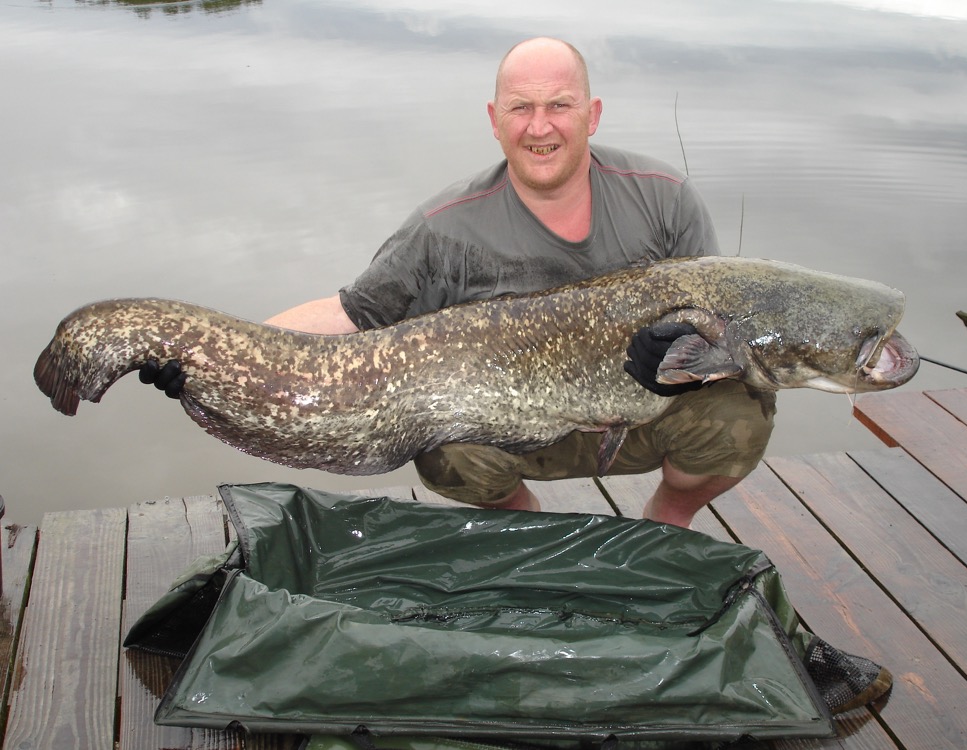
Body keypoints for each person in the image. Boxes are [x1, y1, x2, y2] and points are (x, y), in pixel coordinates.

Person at [142, 36, 892, 714]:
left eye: (560, 105)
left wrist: (674, 361)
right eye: (522, 108)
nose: (541, 125)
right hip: (518, 428)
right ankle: (530, 531)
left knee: (742, 414)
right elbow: (350, 313)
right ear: (495, 120)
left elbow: (724, 321)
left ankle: (667, 530)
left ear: (591, 113)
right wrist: (209, 353)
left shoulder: (662, 200)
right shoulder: (445, 228)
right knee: (444, 448)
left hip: (640, 416)